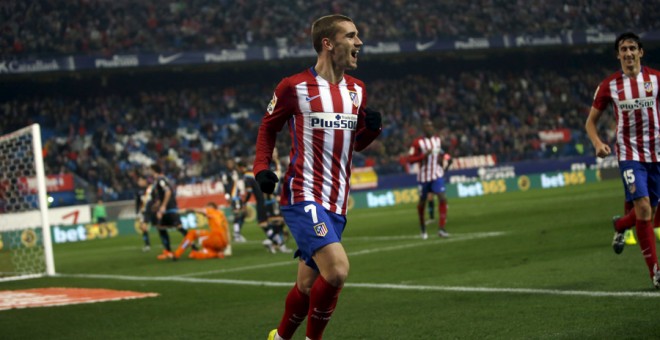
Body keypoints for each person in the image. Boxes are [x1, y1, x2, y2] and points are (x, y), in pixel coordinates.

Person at [253, 14, 381, 340]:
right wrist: (262, 168)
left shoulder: (357, 91)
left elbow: (354, 145)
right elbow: (268, 127)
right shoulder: (293, 87)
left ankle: (279, 338)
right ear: (328, 43)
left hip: (337, 201)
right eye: (351, 36)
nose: (359, 43)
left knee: (307, 286)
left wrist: (371, 131)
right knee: (337, 271)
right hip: (303, 193)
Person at [585, 31, 660, 289]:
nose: (628, 53)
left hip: (657, 154)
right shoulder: (610, 85)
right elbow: (590, 122)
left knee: (648, 211)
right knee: (642, 208)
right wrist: (597, 143)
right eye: (623, 49)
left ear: (641, 52)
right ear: (618, 55)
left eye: (632, 48)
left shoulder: (656, 79)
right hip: (629, 154)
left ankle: (619, 223)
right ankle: (656, 273)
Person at [406, 119, 453, 239]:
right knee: (422, 202)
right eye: (426, 126)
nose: (429, 128)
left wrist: (448, 157)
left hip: (436, 174)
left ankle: (441, 229)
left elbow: (441, 153)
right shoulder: (417, 143)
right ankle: (422, 227)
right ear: (423, 129)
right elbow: (410, 159)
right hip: (424, 177)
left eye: (430, 126)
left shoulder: (437, 140)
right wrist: (423, 156)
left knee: (442, 197)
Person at [238, 156, 292, 254]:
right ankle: (276, 242)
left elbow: (249, 192)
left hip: (262, 202)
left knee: (265, 224)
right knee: (275, 223)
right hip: (269, 200)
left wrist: (244, 203)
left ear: (241, 168)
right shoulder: (255, 173)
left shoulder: (246, 177)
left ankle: (276, 242)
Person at [147, 163, 191, 260]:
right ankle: (168, 251)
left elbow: (168, 192)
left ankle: (193, 247)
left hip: (168, 208)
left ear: (154, 170)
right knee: (162, 228)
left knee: (177, 227)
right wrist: (157, 205)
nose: (149, 172)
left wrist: (162, 206)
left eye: (150, 170)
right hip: (168, 207)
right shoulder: (162, 180)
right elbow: (162, 195)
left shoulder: (161, 180)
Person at [222, 158, 247, 243]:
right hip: (233, 196)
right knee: (237, 214)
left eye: (231, 163)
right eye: (229, 163)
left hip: (239, 196)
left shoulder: (237, 172)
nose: (230, 165)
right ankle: (237, 234)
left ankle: (237, 233)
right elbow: (225, 187)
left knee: (243, 213)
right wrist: (227, 197)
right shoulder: (226, 174)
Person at [135, 175, 153, 252]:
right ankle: (147, 245)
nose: (138, 182)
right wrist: (137, 213)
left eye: (140, 180)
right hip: (144, 212)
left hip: (153, 211)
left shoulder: (151, 189)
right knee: (143, 227)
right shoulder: (138, 191)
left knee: (161, 227)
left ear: (144, 180)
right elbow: (138, 203)